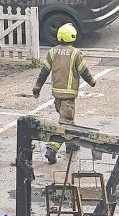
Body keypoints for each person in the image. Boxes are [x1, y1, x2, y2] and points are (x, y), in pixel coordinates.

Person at [32, 23, 97, 164]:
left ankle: (71, 144)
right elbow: (84, 71)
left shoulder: (52, 52)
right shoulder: (75, 53)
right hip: (69, 96)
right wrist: (92, 82)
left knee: (67, 119)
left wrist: (37, 88)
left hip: (57, 95)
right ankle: (52, 148)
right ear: (72, 36)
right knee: (65, 123)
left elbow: (44, 72)